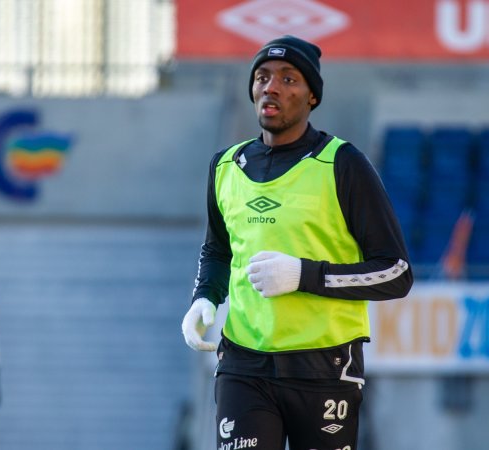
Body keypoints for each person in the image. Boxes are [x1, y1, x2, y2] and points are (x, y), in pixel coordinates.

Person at [181, 35, 413, 450]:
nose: (271, 87)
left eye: (288, 79)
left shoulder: (342, 163)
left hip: (324, 365)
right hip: (243, 363)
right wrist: (205, 297)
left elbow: (395, 273)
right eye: (263, 77)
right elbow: (217, 249)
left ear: (312, 97)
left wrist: (304, 275)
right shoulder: (225, 166)